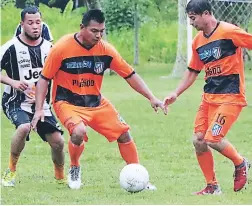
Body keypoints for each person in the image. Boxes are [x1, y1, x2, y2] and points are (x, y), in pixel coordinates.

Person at [31, 9, 167, 190]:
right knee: (78, 131)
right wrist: (39, 109)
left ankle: (138, 175)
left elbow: (130, 75)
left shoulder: (106, 50)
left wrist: (151, 97)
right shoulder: (62, 48)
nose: (98, 35)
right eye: (94, 31)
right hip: (67, 103)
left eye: (101, 31)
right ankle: (75, 168)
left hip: (96, 102)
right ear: (82, 27)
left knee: (124, 133)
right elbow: (44, 79)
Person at [163, 0, 252, 195]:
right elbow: (193, 71)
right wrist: (175, 93)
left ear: (205, 14)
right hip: (209, 98)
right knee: (199, 140)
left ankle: (240, 162)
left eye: (193, 18)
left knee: (213, 138)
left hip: (231, 96)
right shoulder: (197, 42)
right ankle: (212, 186)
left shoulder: (229, 31)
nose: (191, 23)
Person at [1, 6, 65, 187]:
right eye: (30, 23)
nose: (35, 26)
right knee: (23, 127)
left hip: (41, 105)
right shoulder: (10, 47)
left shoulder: (50, 48)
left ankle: (60, 177)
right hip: (15, 102)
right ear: (22, 24)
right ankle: (10, 171)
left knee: (58, 142)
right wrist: (12, 82)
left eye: (38, 22)